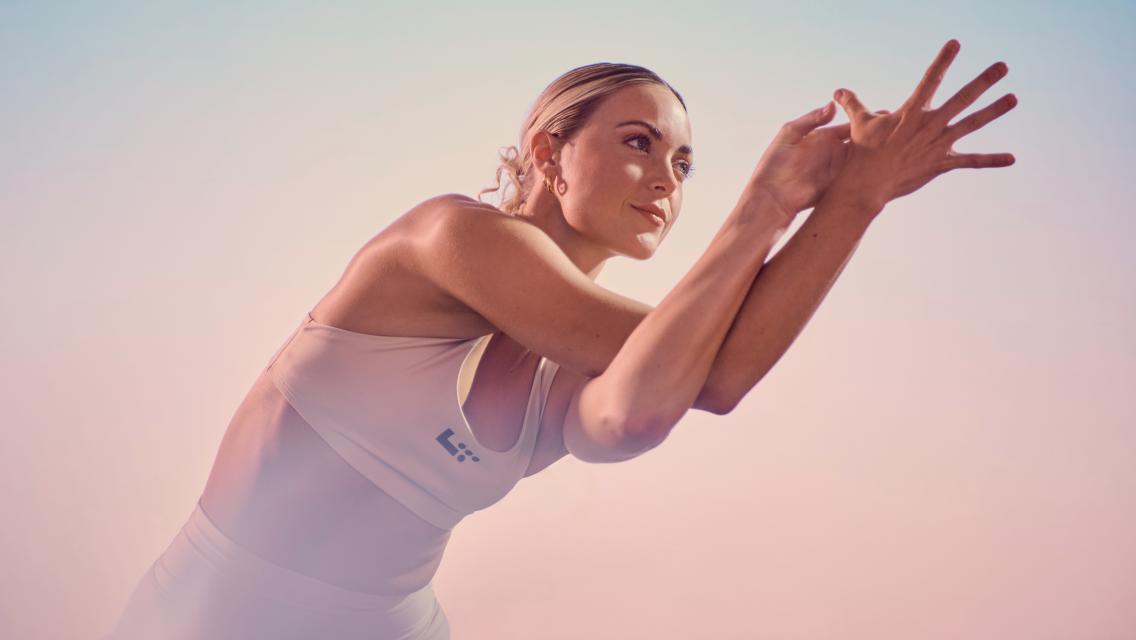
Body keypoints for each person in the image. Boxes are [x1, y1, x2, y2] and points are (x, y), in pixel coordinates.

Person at [104, 39, 1015, 639]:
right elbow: (712, 365)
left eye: (685, 162)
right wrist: (768, 204)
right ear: (547, 151)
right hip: (213, 615)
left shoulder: (588, 359)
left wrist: (856, 199)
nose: (666, 178)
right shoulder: (449, 237)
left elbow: (667, 401)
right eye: (638, 141)